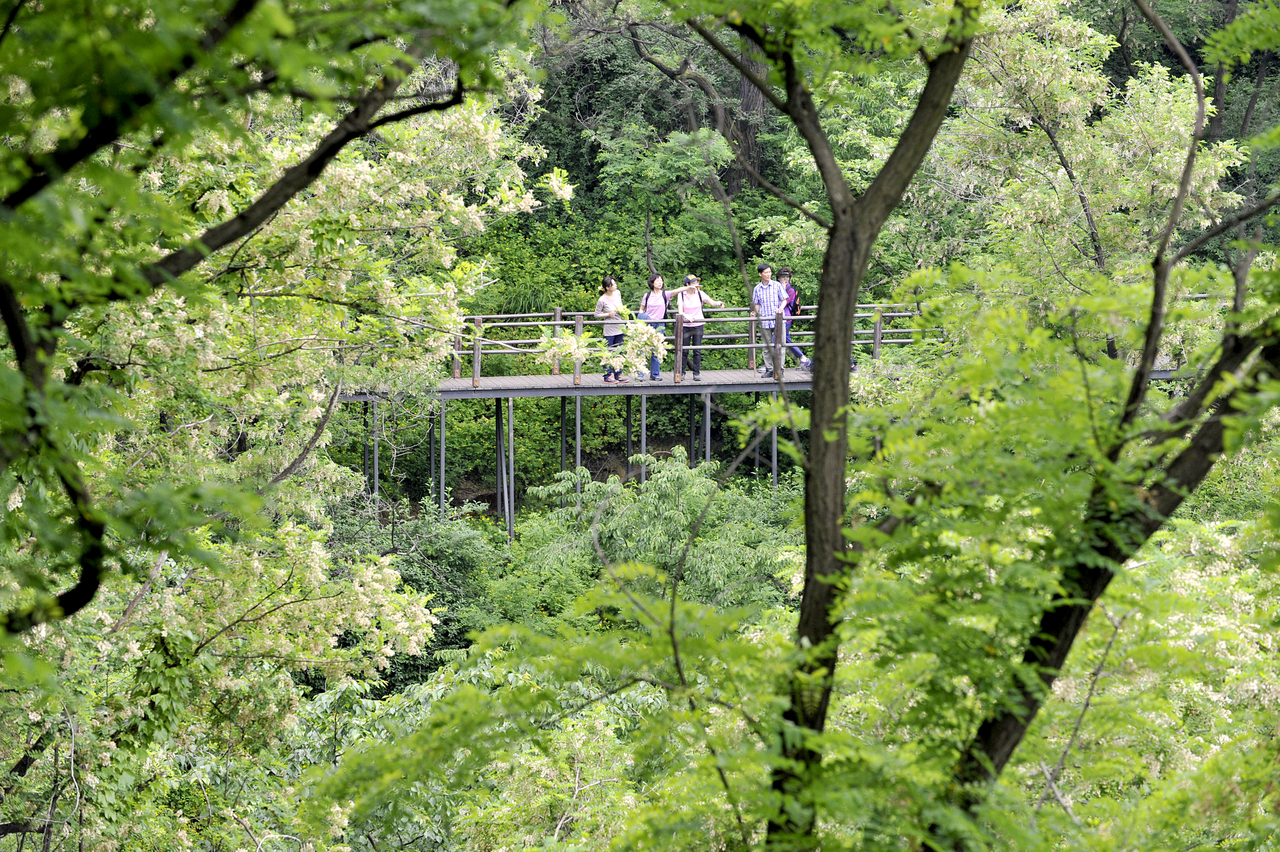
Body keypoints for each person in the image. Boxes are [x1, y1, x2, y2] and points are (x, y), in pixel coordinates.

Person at [637, 272, 696, 381]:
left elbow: (676, 290)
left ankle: (655, 374)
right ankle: (640, 375)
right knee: (642, 349)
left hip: (660, 324)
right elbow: (641, 309)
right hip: (647, 324)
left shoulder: (665, 294)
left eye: (661, 280)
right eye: (657, 280)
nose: (660, 282)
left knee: (656, 349)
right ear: (652, 282)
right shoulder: (647, 295)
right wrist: (644, 317)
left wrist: (689, 287)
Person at [675, 274, 724, 381]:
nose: (696, 284)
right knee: (684, 350)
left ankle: (696, 373)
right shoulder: (682, 295)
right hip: (685, 325)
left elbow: (711, 302)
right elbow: (680, 311)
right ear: (687, 285)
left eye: (697, 282)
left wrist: (718, 303)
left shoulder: (700, 293)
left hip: (698, 325)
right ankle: (681, 372)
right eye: (694, 283)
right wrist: (686, 316)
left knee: (697, 350)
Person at [751, 262, 788, 378]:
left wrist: (781, 308)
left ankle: (780, 369)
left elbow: (784, 299)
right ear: (760, 274)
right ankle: (770, 369)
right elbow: (757, 304)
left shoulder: (777, 285)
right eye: (766, 272)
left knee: (780, 345)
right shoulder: (757, 288)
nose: (768, 274)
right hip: (765, 320)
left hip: (778, 320)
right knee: (766, 347)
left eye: (769, 272)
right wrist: (755, 312)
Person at [594, 275, 628, 383]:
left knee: (619, 351)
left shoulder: (617, 293)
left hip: (620, 327)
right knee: (608, 352)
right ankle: (607, 375)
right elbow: (596, 315)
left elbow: (621, 306)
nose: (616, 285)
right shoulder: (602, 300)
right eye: (613, 284)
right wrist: (608, 314)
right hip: (609, 329)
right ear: (607, 287)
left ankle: (618, 373)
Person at [778, 267, 813, 371]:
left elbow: (783, 302)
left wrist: (783, 288)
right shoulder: (776, 287)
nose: (785, 279)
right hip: (778, 318)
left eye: (787, 277)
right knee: (783, 339)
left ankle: (803, 358)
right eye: (783, 277)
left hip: (786, 317)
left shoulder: (790, 290)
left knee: (784, 339)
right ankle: (803, 358)